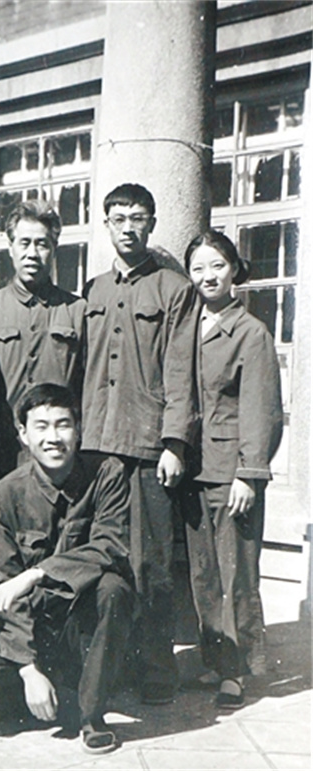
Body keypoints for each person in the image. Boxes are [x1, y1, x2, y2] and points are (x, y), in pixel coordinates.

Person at [81, 183, 198, 705]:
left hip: (149, 445)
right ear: (106, 224)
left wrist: (175, 442)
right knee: (102, 560)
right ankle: (108, 667)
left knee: (151, 564)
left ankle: (155, 669)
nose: (128, 227)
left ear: (151, 223)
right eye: (119, 218)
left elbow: (180, 371)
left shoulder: (175, 289)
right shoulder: (93, 290)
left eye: (138, 218)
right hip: (96, 444)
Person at [0, 384, 135, 754]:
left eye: (63, 425)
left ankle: (92, 716)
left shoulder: (107, 474)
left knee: (113, 588)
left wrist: (36, 574)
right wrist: (28, 669)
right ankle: (62, 690)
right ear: (23, 434)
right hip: (37, 626)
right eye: (41, 426)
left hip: (84, 620)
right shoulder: (5, 494)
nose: (53, 438)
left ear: (78, 430)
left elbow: (109, 546)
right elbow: (6, 580)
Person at [180, 230, 283, 709]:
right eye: (198, 268)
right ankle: (214, 658)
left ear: (235, 270)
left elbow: (262, 410)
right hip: (195, 470)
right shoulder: (189, 327)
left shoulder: (251, 332)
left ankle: (236, 670)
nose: (208, 276)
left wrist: (250, 473)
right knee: (204, 574)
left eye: (217, 266)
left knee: (236, 573)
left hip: (231, 473)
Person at [0, 200, 86, 479]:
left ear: (54, 249)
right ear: (10, 247)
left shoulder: (77, 310)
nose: (32, 253)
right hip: (3, 450)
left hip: (58, 450)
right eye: (24, 243)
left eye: (42, 244)